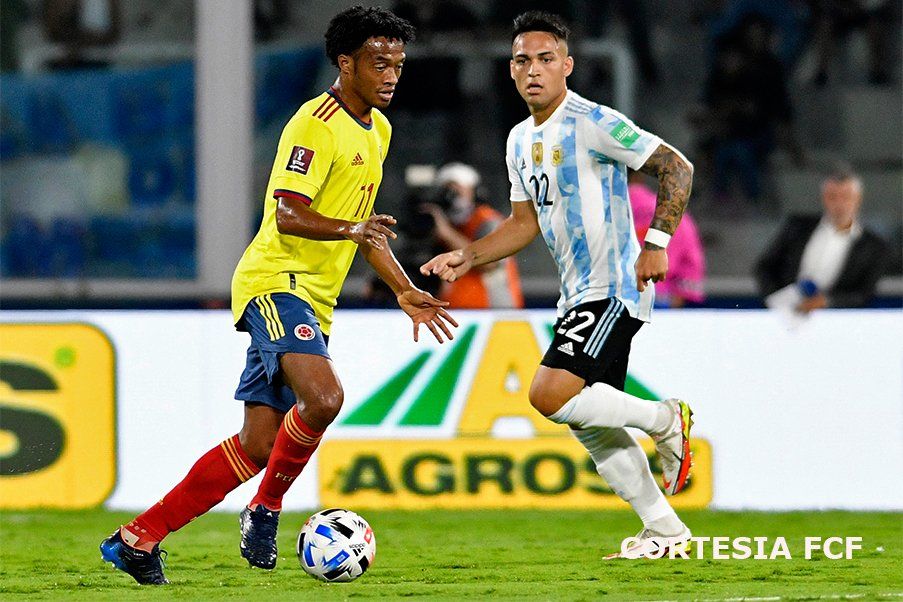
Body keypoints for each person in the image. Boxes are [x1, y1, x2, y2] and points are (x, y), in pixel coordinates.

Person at [100, 6, 457, 585]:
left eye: (398, 63)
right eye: (378, 63)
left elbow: (364, 230)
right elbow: (289, 214)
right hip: (275, 280)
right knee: (323, 399)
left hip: (313, 298)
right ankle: (264, 513)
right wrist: (350, 229)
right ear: (346, 63)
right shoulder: (315, 122)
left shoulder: (379, 130)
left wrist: (405, 288)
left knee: (260, 443)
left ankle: (137, 540)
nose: (392, 74)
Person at [422, 11, 696, 559]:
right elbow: (523, 224)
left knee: (549, 394)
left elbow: (677, 167)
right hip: (578, 292)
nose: (534, 70)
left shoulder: (594, 121)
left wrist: (657, 243)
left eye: (546, 59)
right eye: (523, 60)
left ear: (567, 66)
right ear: (511, 70)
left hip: (614, 285)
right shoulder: (519, 140)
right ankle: (667, 532)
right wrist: (467, 255)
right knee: (591, 425)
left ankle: (665, 419)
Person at [755, 166, 889, 312]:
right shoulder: (797, 228)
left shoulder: (874, 246)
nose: (839, 204)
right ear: (824, 198)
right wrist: (778, 301)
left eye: (846, 196)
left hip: (837, 321)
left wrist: (826, 302)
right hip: (782, 315)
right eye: (833, 196)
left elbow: (864, 293)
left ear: (857, 199)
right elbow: (765, 267)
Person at [422, 162, 524, 309]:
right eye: (448, 191)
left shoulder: (488, 220)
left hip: (492, 311)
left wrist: (446, 233)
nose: (452, 197)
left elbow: (489, 262)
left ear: (474, 192)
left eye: (458, 190)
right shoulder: (447, 222)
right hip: (457, 310)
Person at [628, 171, 706, 308]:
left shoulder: (595, 213)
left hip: (606, 302)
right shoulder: (671, 211)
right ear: (638, 175)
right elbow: (691, 262)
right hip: (660, 302)